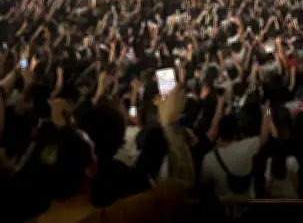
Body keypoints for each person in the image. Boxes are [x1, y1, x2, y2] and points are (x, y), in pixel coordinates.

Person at [29, 89, 194, 223]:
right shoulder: (124, 208)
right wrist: (169, 124)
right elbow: (181, 184)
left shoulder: (23, 198)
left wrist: (64, 128)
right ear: (91, 168)